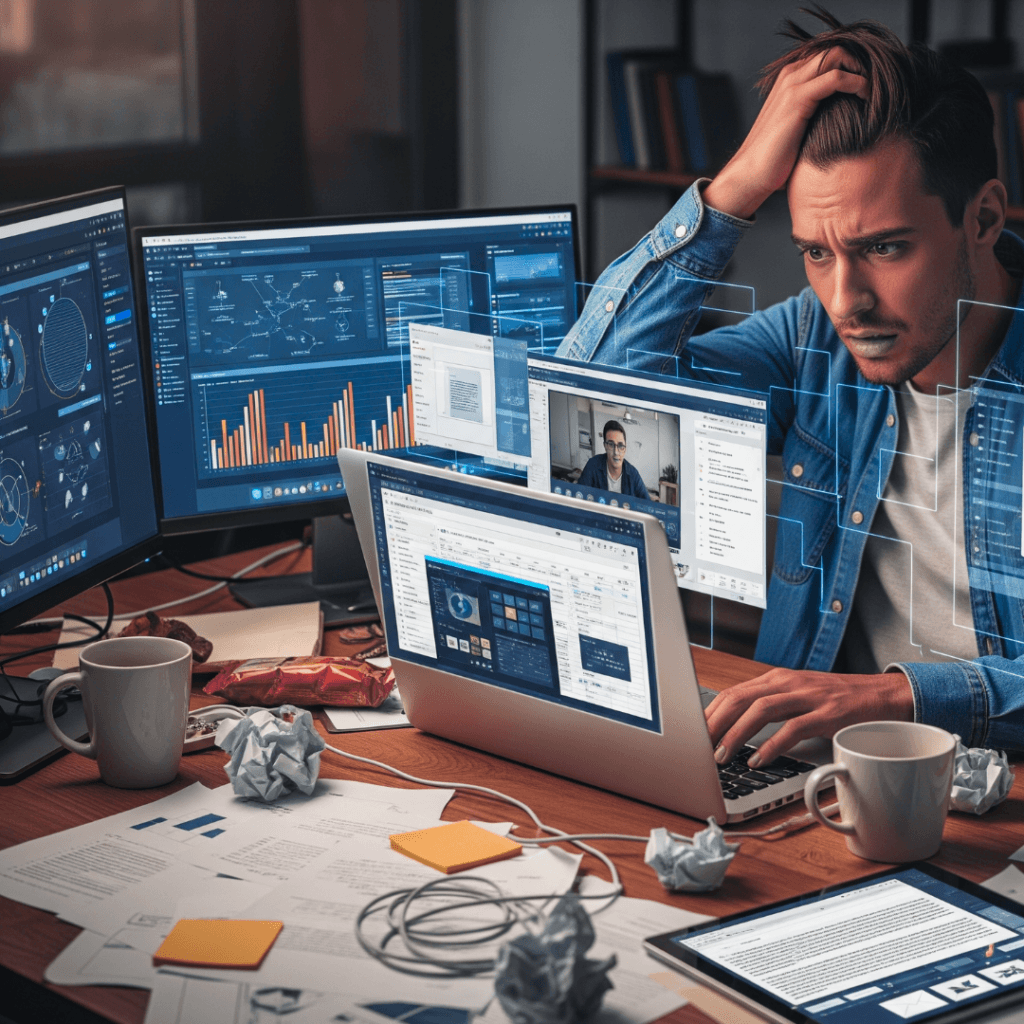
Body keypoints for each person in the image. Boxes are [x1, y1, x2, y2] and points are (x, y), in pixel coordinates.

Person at [556, 9, 1024, 765]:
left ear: (985, 216)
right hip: (813, 778)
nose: (846, 300)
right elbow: (599, 395)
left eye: (885, 248)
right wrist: (734, 191)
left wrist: (892, 694)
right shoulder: (811, 336)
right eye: (815, 251)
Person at [577, 419, 649, 497]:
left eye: (620, 445)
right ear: (605, 446)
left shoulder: (633, 474)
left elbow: (647, 504)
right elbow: (579, 495)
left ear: (625, 449)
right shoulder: (592, 465)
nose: (616, 452)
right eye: (611, 445)